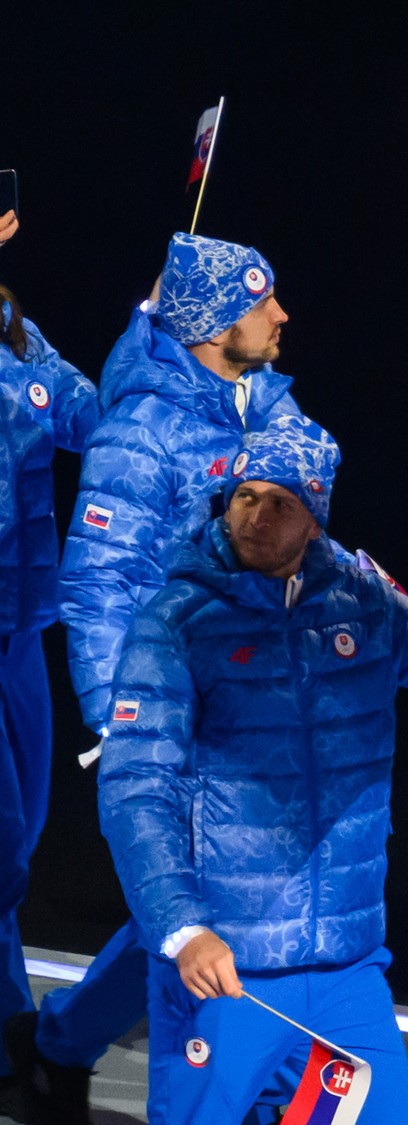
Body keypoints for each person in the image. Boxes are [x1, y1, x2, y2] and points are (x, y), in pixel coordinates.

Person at [97, 415, 408, 1125]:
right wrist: (181, 927)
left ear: (314, 520)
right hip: (225, 962)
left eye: (282, 503)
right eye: (246, 496)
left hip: (345, 965)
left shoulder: (363, 603)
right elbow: (134, 789)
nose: (257, 516)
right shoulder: (176, 621)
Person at [10, 233, 325, 1119]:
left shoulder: (262, 404)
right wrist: (118, 720)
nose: (281, 315)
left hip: (260, 690)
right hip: (175, 701)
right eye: (263, 301)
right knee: (203, 898)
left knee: (204, 899)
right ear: (215, 321)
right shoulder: (143, 431)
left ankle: (64, 1036)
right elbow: (98, 581)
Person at [0, 215, 101, 1117]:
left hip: (19, 622)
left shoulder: (18, 334)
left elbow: (93, 418)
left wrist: (155, 345)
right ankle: (4, 1025)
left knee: (24, 829)